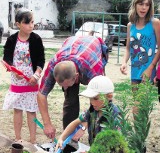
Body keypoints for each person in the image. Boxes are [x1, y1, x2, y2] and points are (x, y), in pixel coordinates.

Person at [38, 35, 108, 140]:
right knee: (70, 100)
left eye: (66, 85)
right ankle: (69, 138)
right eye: (62, 86)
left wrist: (84, 127)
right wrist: (47, 124)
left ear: (76, 77)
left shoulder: (93, 69)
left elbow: (101, 98)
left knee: (97, 102)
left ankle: (96, 137)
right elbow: (41, 94)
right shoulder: (53, 65)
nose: (64, 88)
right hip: (71, 45)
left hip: (92, 50)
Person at [2, 9, 45, 144]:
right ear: (18, 24)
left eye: (32, 22)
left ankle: (32, 140)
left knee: (32, 111)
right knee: (18, 109)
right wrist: (13, 71)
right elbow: (7, 59)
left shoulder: (36, 39)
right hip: (17, 82)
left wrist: (36, 75)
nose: (31, 25)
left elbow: (41, 60)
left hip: (31, 82)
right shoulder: (11, 39)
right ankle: (18, 138)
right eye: (27, 23)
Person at [56, 75, 120, 151]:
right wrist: (61, 138)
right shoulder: (91, 111)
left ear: (109, 96)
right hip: (93, 152)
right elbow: (74, 123)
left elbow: (116, 144)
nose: (92, 102)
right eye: (90, 98)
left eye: (95, 98)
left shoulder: (115, 116)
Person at [120, 0, 160, 91]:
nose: (144, 8)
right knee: (136, 102)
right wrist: (124, 62)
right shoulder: (130, 25)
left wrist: (151, 68)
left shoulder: (155, 23)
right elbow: (128, 48)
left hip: (148, 70)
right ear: (135, 5)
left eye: (147, 5)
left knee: (140, 104)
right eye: (141, 4)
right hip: (135, 70)